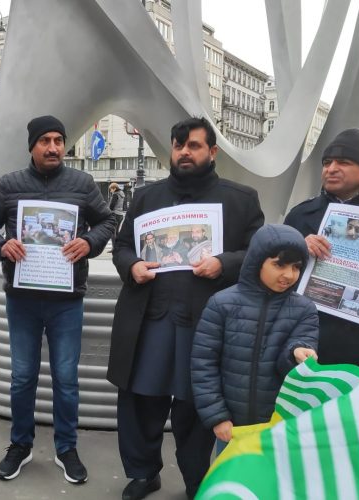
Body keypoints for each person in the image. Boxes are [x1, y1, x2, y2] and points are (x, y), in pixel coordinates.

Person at [108, 117, 264, 500]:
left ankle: (198, 481)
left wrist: (223, 264)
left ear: (212, 152)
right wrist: (132, 266)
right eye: (179, 146)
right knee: (141, 402)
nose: (184, 152)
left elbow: (260, 254)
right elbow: (123, 244)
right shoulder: (146, 196)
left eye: (193, 146)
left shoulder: (241, 199)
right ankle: (144, 473)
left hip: (205, 324)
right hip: (149, 321)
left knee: (196, 410)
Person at [0, 115, 115, 484]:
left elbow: (108, 221)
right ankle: (20, 444)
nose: (53, 147)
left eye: (59, 140)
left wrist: (89, 242)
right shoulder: (9, 185)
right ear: (31, 145)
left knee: (66, 377)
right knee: (22, 376)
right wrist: (2, 244)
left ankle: (66, 447)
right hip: (23, 298)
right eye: (44, 140)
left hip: (66, 300)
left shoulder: (82, 183)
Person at [284, 128, 359, 408]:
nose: (331, 169)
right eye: (327, 163)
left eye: (343, 163)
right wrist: (296, 245)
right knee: (307, 439)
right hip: (310, 349)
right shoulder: (302, 215)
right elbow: (269, 271)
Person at [191, 224, 319, 456]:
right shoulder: (222, 304)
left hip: (280, 425)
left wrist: (297, 353)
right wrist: (217, 416)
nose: (288, 275)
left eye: (296, 267)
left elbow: (302, 342)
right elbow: (203, 364)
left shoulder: (305, 309)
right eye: (279, 264)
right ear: (257, 261)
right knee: (233, 484)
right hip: (232, 427)